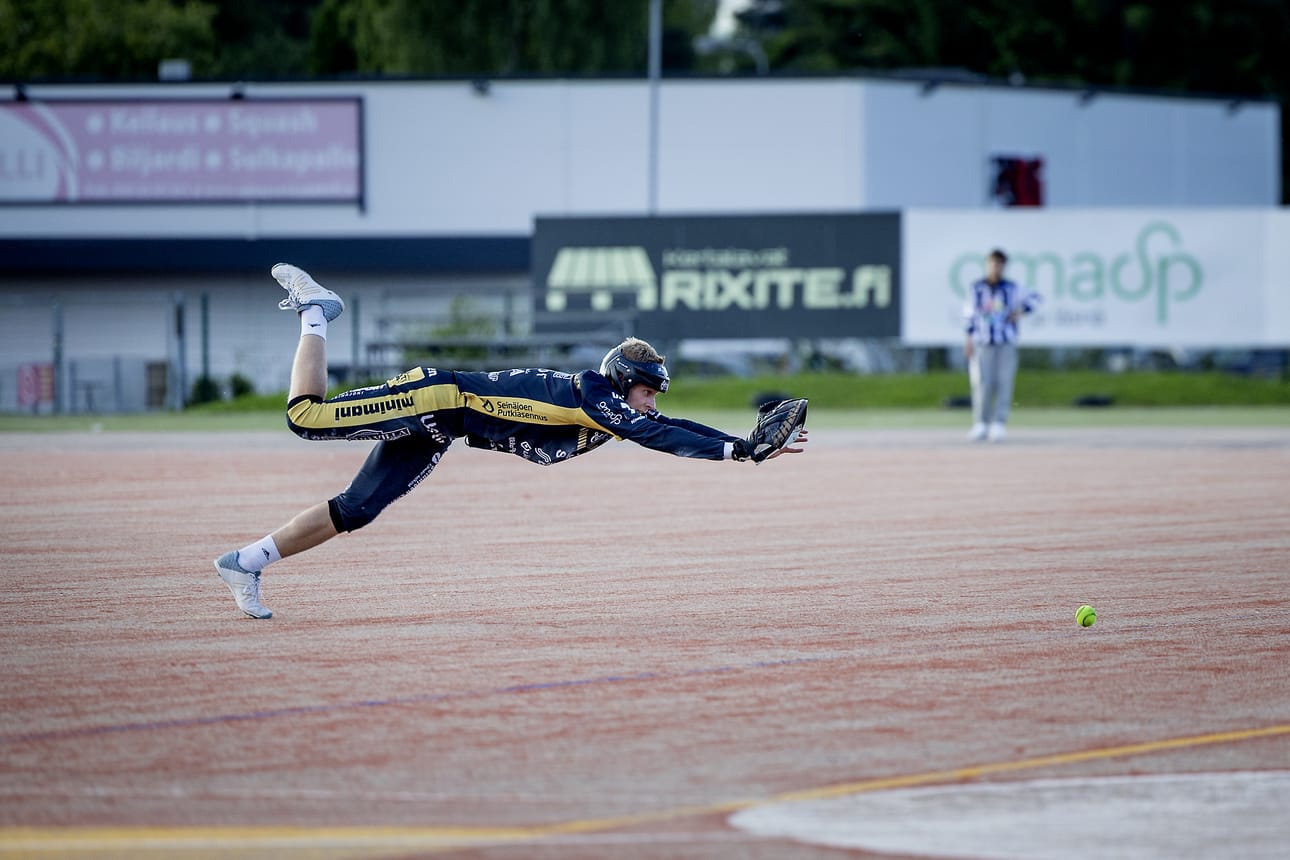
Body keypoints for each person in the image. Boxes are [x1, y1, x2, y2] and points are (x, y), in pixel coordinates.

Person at [214, 263, 808, 619]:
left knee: (357, 510)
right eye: (649, 389)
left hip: (445, 426)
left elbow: (664, 428)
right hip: (439, 397)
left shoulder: (607, 409)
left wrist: (738, 444)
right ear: (625, 381)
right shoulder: (596, 396)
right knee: (305, 418)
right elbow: (660, 435)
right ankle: (316, 312)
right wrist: (740, 450)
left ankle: (245, 563)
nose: (653, 400)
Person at [963, 248, 1040, 442]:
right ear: (987, 264)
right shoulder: (977, 288)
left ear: (1004, 266)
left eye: (999, 264)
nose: (996, 267)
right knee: (982, 383)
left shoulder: (1012, 288)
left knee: (1004, 382)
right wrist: (968, 339)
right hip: (982, 341)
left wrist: (1020, 312)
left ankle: (999, 423)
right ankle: (981, 423)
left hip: (1005, 341)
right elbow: (969, 315)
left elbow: (1036, 298)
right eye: (992, 263)